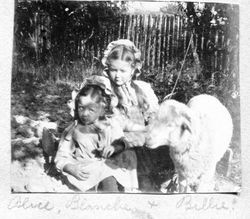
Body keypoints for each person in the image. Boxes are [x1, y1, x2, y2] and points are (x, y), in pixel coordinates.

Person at [101, 39, 175, 191]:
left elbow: (152, 117)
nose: (117, 76)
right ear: (107, 68)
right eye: (113, 70)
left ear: (133, 70)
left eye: (123, 71)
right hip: (117, 142)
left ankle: (160, 180)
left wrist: (154, 124)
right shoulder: (105, 89)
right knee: (120, 169)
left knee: (167, 150)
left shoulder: (141, 89)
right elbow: (108, 122)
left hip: (141, 141)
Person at [54, 75, 141, 192]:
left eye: (91, 110)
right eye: (81, 108)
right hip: (87, 167)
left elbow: (122, 141)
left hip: (110, 164)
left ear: (102, 109)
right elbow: (62, 155)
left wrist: (115, 147)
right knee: (104, 174)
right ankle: (106, 195)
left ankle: (124, 189)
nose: (85, 114)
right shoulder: (74, 130)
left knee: (128, 155)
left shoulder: (111, 125)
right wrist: (70, 168)